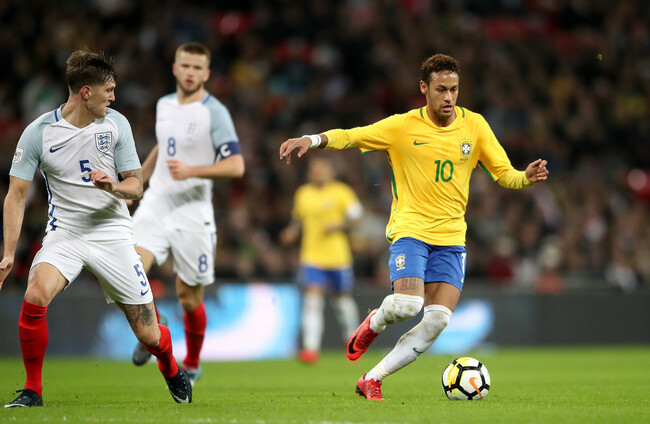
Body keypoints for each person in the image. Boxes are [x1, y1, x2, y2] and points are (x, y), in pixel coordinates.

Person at [279, 53, 549, 400]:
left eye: (454, 89)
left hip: (452, 239)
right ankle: (374, 322)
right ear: (424, 88)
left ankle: (372, 379)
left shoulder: (475, 126)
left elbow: (504, 174)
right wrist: (312, 139)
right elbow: (351, 136)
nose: (449, 97)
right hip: (411, 232)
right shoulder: (402, 126)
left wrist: (525, 177)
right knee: (408, 306)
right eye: (441, 89)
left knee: (438, 320)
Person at [0, 49, 192, 408]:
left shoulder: (116, 125)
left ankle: (168, 364)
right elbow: (16, 195)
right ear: (86, 92)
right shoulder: (39, 133)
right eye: (109, 90)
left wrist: (113, 187)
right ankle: (32, 390)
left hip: (112, 235)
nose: (114, 97)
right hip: (66, 233)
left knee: (149, 334)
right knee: (36, 293)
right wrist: (8, 254)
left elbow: (136, 185)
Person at [129, 42, 245, 386]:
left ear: (206, 74)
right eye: (186, 66)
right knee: (128, 268)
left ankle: (192, 364)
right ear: (175, 68)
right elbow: (163, 147)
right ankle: (153, 324)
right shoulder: (164, 105)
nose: (191, 72)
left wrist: (193, 170)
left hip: (193, 211)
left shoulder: (215, 113)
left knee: (189, 297)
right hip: (157, 203)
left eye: (198, 68)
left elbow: (236, 166)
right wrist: (137, 184)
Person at [280, 157, 362, 363]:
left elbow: (357, 218)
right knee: (312, 301)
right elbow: (298, 219)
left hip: (338, 256)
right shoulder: (303, 194)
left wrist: (338, 226)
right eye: (314, 170)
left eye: (322, 169)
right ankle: (311, 348)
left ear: (331, 172)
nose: (318, 173)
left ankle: (353, 344)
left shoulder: (342, 192)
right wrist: (291, 231)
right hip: (312, 256)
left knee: (342, 301)